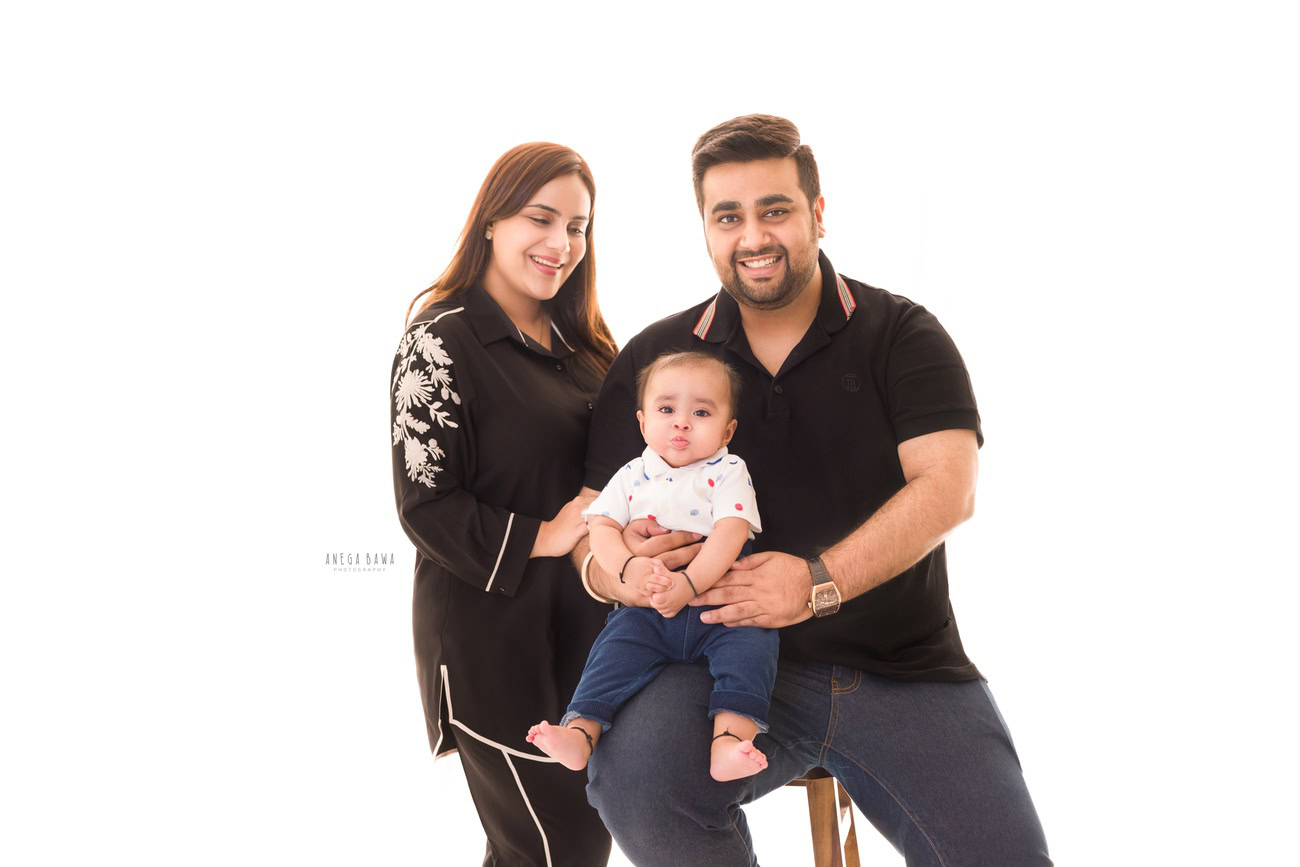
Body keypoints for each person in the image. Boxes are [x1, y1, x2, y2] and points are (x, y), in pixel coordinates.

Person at [574, 115, 1052, 865]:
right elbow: (589, 530)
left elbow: (949, 487)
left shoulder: (902, 334)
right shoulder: (658, 359)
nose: (753, 236)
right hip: (709, 665)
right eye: (728, 216)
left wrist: (816, 583)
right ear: (705, 229)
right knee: (634, 781)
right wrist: (620, 574)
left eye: (775, 210)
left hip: (901, 664)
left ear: (818, 213)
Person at [389, 142, 619, 867]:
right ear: (492, 221)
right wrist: (546, 534)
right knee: (560, 847)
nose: (562, 243)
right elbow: (425, 506)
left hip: (587, 640)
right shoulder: (439, 342)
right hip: (491, 645)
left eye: (577, 226)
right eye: (540, 218)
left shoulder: (587, 350)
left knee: (547, 847)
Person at [527, 351, 777, 783]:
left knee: (753, 650)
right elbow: (601, 527)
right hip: (647, 609)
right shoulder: (631, 474)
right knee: (611, 653)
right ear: (643, 423)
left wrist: (690, 583)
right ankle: (580, 732)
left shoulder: (728, 470)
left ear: (727, 430)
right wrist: (628, 568)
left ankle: (729, 741)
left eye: (701, 412)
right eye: (666, 410)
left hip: (719, 605)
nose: (682, 423)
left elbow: (731, 532)